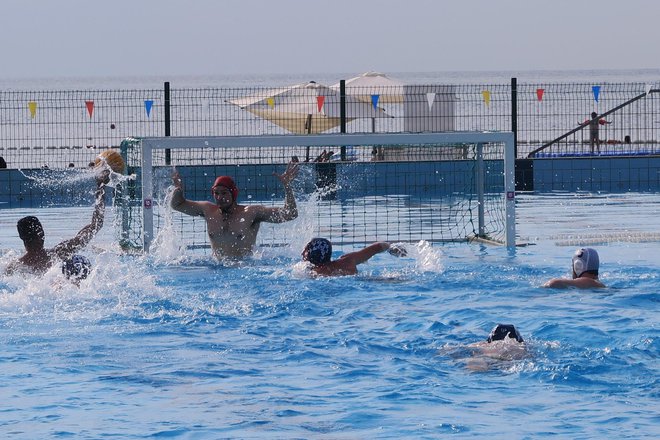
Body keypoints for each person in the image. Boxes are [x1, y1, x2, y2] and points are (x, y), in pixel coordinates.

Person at [170, 161, 299, 259]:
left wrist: (287, 186)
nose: (220, 197)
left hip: (243, 269)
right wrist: (178, 190)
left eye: (224, 193)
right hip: (216, 269)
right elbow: (177, 205)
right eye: (216, 193)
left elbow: (290, 214)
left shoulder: (250, 213)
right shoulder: (208, 210)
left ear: (234, 194)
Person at [5, 171, 109, 276]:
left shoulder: (14, 268)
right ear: (42, 234)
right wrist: (101, 186)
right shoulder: (59, 253)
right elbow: (96, 224)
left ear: (21, 237)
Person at [301, 237, 407, 276]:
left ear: (312, 254)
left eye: (305, 250)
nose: (302, 253)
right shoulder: (347, 261)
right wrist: (391, 248)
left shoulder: (312, 274)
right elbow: (378, 246)